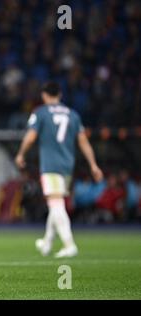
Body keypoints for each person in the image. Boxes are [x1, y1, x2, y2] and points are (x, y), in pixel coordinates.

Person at [15, 81, 103, 258]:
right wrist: (93, 164)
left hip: (51, 165)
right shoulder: (73, 114)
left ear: (44, 95)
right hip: (67, 166)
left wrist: (21, 154)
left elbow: (31, 137)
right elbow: (83, 142)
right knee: (56, 202)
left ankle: (69, 244)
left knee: (55, 204)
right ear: (60, 95)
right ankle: (47, 243)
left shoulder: (41, 113)